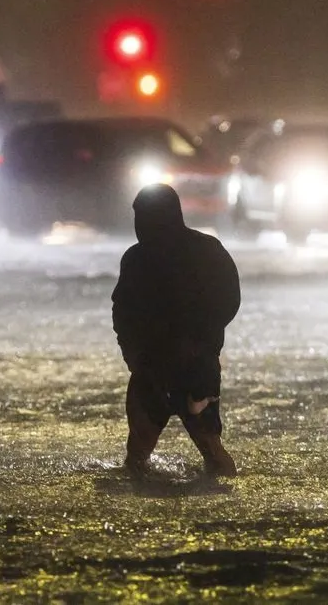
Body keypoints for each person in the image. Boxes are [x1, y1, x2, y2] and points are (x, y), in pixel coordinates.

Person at [112, 184, 241, 477]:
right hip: (172, 367)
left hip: (176, 367)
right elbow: (229, 300)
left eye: (142, 216)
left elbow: (123, 312)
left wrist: (197, 342)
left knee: (140, 459)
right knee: (206, 452)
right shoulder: (204, 250)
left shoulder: (140, 258)